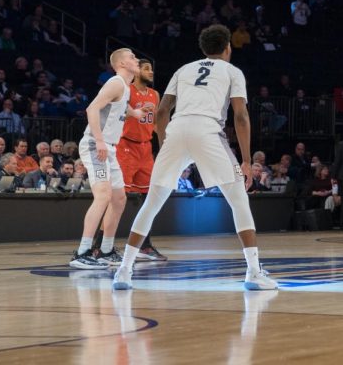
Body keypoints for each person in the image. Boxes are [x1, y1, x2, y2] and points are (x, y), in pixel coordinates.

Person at [113, 25, 277, 291]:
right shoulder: (233, 71)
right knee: (238, 199)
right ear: (227, 48)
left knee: (151, 204)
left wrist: (166, 143)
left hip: (177, 130)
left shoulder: (183, 69)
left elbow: (163, 110)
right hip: (208, 131)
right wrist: (246, 161)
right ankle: (254, 272)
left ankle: (123, 271)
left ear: (203, 49)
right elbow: (241, 116)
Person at [70, 49, 148, 269]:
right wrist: (100, 140)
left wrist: (135, 114)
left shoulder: (125, 87)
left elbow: (119, 105)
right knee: (103, 196)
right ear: (122, 63)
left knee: (119, 199)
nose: (137, 59)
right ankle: (82, 252)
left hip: (109, 148)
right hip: (97, 146)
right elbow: (92, 108)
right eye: (132, 57)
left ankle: (105, 250)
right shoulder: (115, 82)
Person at [115, 58, 166, 261]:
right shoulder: (126, 90)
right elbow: (116, 114)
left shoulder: (155, 94)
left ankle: (145, 245)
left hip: (145, 148)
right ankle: (101, 245)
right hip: (126, 145)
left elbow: (155, 124)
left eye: (152, 69)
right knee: (119, 197)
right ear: (137, 72)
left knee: (150, 197)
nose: (151, 72)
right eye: (146, 69)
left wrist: (164, 143)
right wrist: (134, 114)